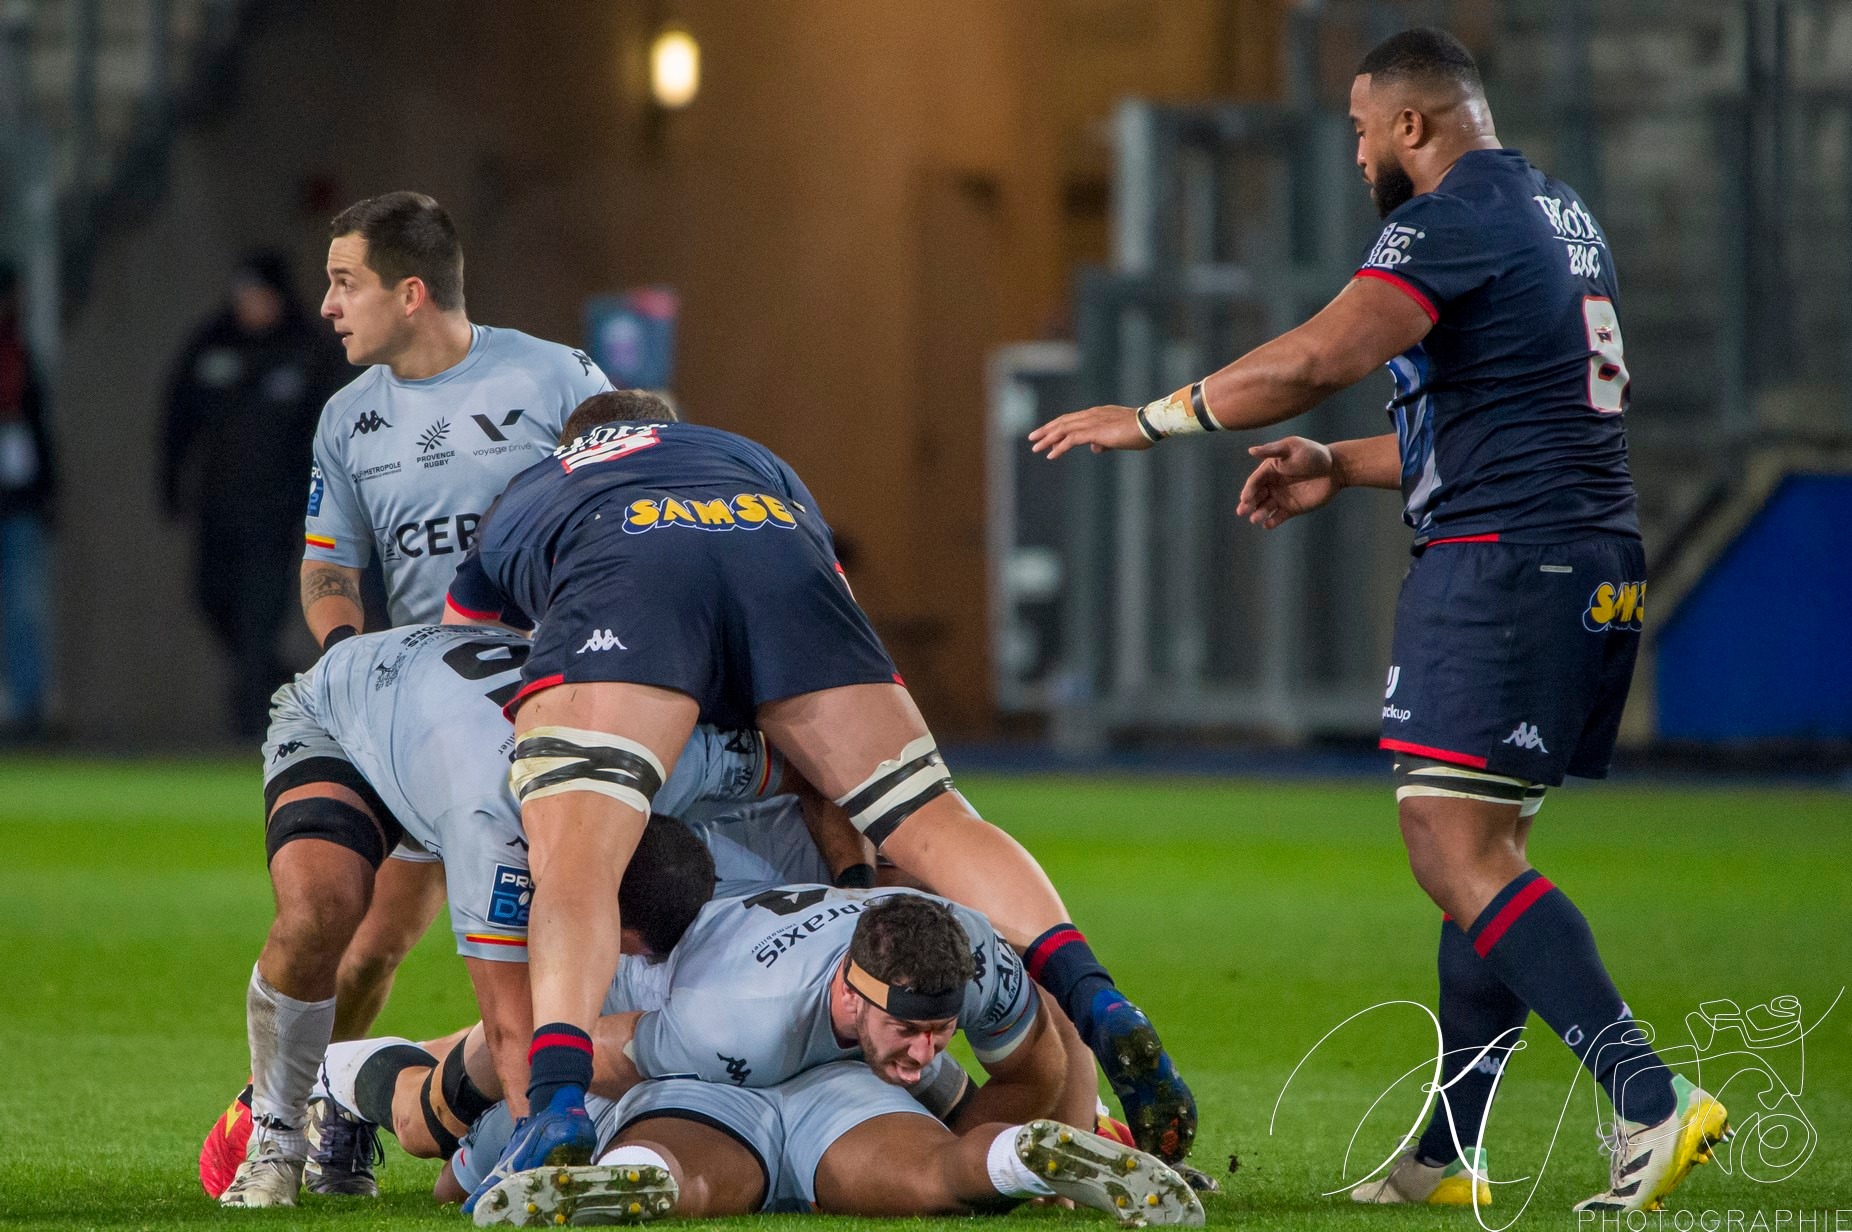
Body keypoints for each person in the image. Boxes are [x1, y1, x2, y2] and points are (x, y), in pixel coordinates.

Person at [1030, 27, 1731, 1217]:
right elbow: (1505, 417)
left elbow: (1317, 355)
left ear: (1415, 123)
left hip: (1503, 566)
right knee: (1483, 859)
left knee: (1449, 849)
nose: (1357, 152)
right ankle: (1447, 1149)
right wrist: (1338, 463)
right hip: (1584, 558)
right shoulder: (1559, 211)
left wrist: (1148, 419)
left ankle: (1647, 1095)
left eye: (1362, 130)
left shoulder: (1448, 216)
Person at [444, 390, 1196, 1203]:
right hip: (776, 552)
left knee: (578, 863)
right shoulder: (744, 454)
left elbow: (457, 657)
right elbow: (816, 595)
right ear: (668, 430)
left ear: (572, 445)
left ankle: (557, 1103)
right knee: (932, 815)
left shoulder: (536, 486)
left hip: (625, 585)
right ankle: (1098, 997)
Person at [236, 190, 614, 1204]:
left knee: (575, 930)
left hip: (550, 710)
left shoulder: (556, 377)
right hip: (415, 722)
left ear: (410, 293)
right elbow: (328, 569)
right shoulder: (346, 417)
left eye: (343, 282)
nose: (326, 305)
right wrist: (360, 669)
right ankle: (312, 1111)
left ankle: (558, 1111)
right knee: (362, 945)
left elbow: (626, 512)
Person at [216, 621, 801, 1208]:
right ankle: (277, 1139)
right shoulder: (494, 833)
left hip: (450, 728)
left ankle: (351, 1083)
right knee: (323, 909)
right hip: (346, 713)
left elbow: (811, 766)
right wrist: (540, 1154)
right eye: (618, 943)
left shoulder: (664, 760)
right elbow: (509, 1024)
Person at [316, 890, 1202, 1228]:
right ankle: (1017, 1160)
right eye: (911, 1031)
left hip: (773, 1078)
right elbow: (584, 1053)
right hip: (705, 1065)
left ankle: (1032, 1159)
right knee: (937, 1172)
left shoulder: (969, 953)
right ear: (851, 994)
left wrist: (1032, 1143)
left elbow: (1038, 1051)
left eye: (941, 1030)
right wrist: (506, 1122)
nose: (928, 1048)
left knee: (695, 1178)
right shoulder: (727, 1013)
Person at [160, 251, 340, 737]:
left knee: (260, 614)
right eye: (243, 295)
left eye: (259, 295)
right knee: (211, 598)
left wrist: (317, 504)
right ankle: (269, 678)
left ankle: (248, 725)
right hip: (218, 510)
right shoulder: (211, 344)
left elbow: (327, 435)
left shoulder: (306, 350)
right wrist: (171, 486)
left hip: (275, 513)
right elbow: (177, 419)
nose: (250, 305)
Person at [0, 262, 54, 741]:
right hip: (17, 502)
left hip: (18, 504)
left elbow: (38, 428)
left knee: (23, 611)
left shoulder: (19, 354)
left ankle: (28, 710)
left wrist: (46, 493)